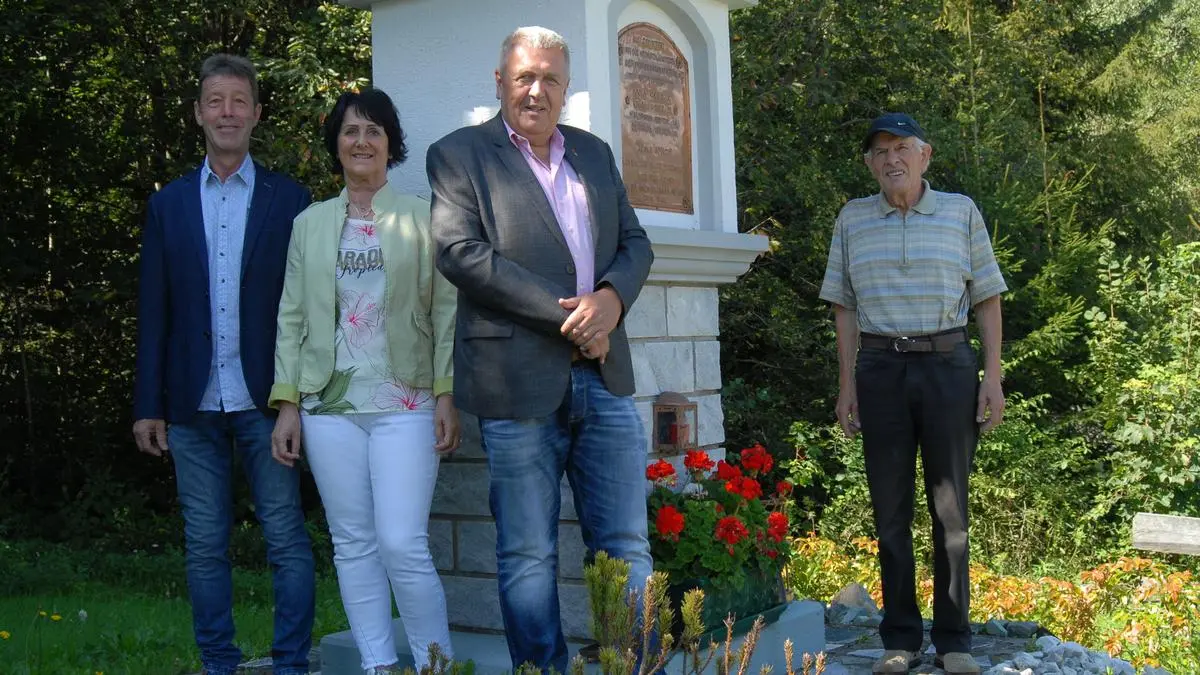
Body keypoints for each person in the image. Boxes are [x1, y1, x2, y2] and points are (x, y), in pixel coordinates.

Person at [427, 25, 654, 674]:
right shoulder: (458, 155)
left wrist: (608, 300)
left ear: (567, 87)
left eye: (550, 78)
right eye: (524, 76)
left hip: (604, 379)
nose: (537, 89)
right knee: (527, 556)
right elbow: (461, 254)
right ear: (499, 82)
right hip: (516, 386)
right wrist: (572, 318)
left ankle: (634, 665)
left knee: (627, 547)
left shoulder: (594, 153)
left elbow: (635, 244)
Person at [132, 54, 315, 675]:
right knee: (205, 548)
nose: (227, 112)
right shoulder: (169, 206)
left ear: (257, 113)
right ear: (198, 114)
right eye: (216, 101)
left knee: (287, 540)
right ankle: (219, 665)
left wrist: (298, 397)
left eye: (239, 101)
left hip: (268, 403)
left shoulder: (291, 200)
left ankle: (291, 664)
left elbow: (306, 309)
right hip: (191, 404)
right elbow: (154, 312)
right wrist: (147, 405)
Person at [269, 87, 459, 674]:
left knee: (402, 543)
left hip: (407, 400)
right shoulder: (310, 224)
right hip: (328, 407)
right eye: (350, 131)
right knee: (352, 546)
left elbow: (446, 310)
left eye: (373, 131)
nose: (361, 141)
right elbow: (292, 317)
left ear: (390, 144)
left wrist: (446, 392)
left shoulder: (425, 218)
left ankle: (436, 665)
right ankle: (378, 666)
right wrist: (287, 404)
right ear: (337, 144)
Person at [818, 113, 1006, 675]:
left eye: (902, 148)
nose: (891, 159)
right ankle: (900, 638)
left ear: (925, 155)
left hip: (949, 366)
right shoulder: (852, 219)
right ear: (870, 165)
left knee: (951, 511)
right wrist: (846, 384)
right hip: (879, 369)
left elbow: (988, 299)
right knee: (889, 509)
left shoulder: (960, 211)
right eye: (880, 152)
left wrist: (992, 377)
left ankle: (954, 642)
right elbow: (843, 307)